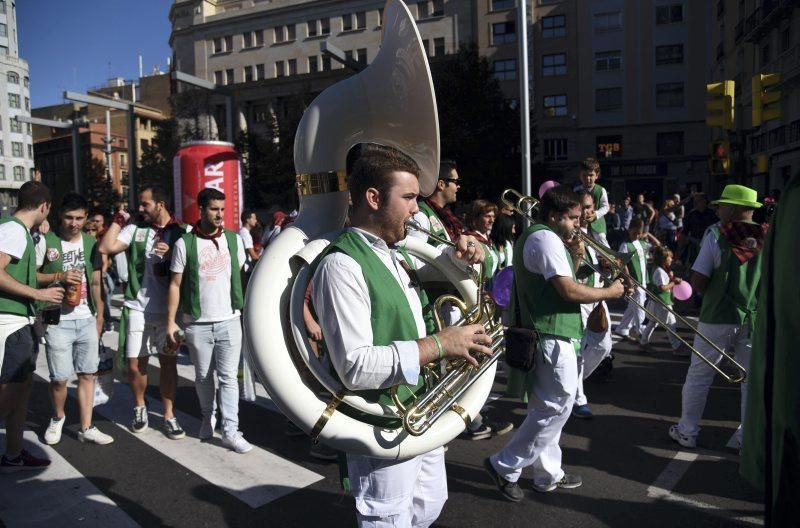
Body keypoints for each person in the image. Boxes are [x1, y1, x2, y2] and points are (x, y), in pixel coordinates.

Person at [311, 144, 491, 526]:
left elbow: (434, 296)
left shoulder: (397, 252)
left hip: (420, 407)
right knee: (388, 519)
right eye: (409, 198)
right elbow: (355, 367)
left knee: (430, 503)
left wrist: (464, 257)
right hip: (383, 420)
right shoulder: (341, 265)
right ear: (373, 198)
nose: (416, 209)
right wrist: (441, 345)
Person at [485, 186, 626, 501]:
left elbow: (558, 282)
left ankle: (548, 475)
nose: (578, 224)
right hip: (550, 334)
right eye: (573, 218)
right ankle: (504, 465)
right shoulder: (545, 238)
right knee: (555, 409)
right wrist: (610, 293)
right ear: (553, 215)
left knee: (545, 408)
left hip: (551, 333)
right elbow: (569, 291)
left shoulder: (545, 238)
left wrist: (575, 258)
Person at [669, 184, 765, 450]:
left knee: (699, 375)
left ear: (734, 208)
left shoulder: (716, 233)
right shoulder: (767, 236)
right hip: (752, 318)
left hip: (717, 315)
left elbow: (699, 279)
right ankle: (745, 437)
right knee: (749, 379)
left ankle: (688, 431)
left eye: (722, 205)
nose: (718, 209)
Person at [98, 185, 187, 439]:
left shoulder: (181, 232)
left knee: (169, 363)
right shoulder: (136, 229)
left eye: (145, 204)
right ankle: (140, 407)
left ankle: (169, 414)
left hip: (169, 314)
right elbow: (106, 247)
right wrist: (119, 219)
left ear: (160, 204)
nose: (140, 208)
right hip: (137, 308)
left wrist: (172, 255)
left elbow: (192, 266)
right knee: (136, 364)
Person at [166, 188, 251, 453]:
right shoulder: (185, 243)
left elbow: (235, 275)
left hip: (229, 319)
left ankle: (230, 430)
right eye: (214, 209)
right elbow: (175, 285)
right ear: (201, 209)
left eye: (222, 209)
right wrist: (172, 322)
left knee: (227, 378)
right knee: (203, 377)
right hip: (197, 322)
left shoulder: (234, 240)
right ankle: (207, 416)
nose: (219, 214)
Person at [740, 172, 798, 527]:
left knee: (700, 378)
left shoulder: (720, 237)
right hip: (750, 316)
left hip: (725, 316)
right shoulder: (762, 234)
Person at [38, 193, 112, 446]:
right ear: (60, 216)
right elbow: (33, 276)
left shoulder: (91, 243)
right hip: (57, 319)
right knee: (59, 377)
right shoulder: (47, 240)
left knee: (88, 374)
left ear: (86, 218)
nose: (74, 223)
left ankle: (87, 426)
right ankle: (58, 417)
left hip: (86, 317)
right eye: (69, 217)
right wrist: (59, 275)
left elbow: (95, 282)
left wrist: (100, 315)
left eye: (79, 218)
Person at [0, 181, 63, 472]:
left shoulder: (19, 232)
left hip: (20, 323)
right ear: (43, 207)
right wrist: (39, 295)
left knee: (21, 391)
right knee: (8, 397)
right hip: (10, 324)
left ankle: (13, 454)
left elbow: (22, 275)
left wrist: (54, 279)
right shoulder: (14, 230)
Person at [572, 190, 613, 420]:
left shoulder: (595, 233)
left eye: (590, 207)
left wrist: (608, 268)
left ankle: (572, 381)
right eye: (583, 208)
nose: (587, 212)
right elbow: (570, 270)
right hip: (580, 295)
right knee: (578, 349)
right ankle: (578, 398)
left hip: (597, 294)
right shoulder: (570, 234)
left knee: (603, 347)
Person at [613, 218, 661, 341]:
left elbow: (658, 245)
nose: (637, 235)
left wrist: (648, 234)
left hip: (644, 280)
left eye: (639, 233)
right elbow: (621, 263)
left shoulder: (642, 243)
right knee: (639, 306)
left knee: (633, 305)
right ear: (629, 230)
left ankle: (622, 328)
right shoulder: (625, 245)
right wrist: (629, 281)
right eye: (634, 232)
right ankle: (641, 331)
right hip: (634, 281)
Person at [638, 246, 687, 356]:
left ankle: (643, 342)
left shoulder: (660, 270)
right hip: (662, 304)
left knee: (652, 322)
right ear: (663, 259)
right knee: (671, 324)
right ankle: (676, 347)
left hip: (657, 302)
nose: (672, 260)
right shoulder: (660, 271)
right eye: (670, 258)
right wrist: (674, 282)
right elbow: (662, 288)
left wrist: (671, 278)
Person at [414, 159, 464, 244]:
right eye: (456, 181)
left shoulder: (447, 217)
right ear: (441, 184)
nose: (458, 186)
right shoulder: (421, 214)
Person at [572, 157, 609, 246]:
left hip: (598, 224)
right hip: (581, 223)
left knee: (601, 240)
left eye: (591, 175)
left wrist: (596, 214)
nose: (587, 178)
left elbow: (606, 207)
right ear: (580, 175)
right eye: (584, 175)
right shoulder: (576, 190)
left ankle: (609, 259)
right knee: (582, 244)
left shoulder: (601, 190)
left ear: (597, 175)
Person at [683, 193, 717, 266]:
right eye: (696, 201)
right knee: (693, 263)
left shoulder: (712, 214)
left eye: (700, 200)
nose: (697, 203)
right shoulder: (692, 214)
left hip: (707, 243)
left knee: (706, 263)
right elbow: (685, 230)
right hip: (694, 244)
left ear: (705, 201)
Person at [238, 209, 259, 281]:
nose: (256, 221)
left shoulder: (244, 232)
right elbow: (252, 255)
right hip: (245, 270)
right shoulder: (244, 233)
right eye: (254, 218)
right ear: (247, 220)